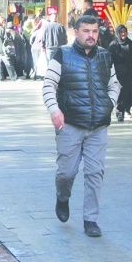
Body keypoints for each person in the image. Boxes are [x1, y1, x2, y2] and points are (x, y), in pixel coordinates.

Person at [42, 15, 120, 238]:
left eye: (94, 31)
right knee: (67, 173)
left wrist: (109, 105)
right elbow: (49, 84)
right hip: (70, 125)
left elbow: (114, 84)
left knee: (95, 172)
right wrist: (54, 110)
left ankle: (90, 220)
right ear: (76, 32)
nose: (91, 35)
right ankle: (63, 197)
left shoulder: (105, 56)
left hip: (98, 126)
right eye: (86, 31)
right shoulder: (62, 54)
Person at [108, 24, 132, 122]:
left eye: (125, 32)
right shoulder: (113, 45)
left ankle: (126, 107)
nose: (123, 34)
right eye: (121, 32)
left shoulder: (130, 43)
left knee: (129, 91)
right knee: (121, 92)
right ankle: (119, 111)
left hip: (130, 73)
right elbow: (110, 60)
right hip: (119, 74)